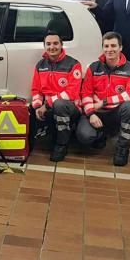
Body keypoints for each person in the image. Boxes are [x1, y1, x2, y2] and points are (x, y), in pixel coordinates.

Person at [77, 32, 130, 166]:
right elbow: (85, 94)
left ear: (121, 47)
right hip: (97, 112)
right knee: (84, 137)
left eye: (113, 46)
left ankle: (122, 149)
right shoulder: (93, 68)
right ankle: (101, 134)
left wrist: (104, 102)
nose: (109, 49)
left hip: (116, 113)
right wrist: (91, 114)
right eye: (106, 46)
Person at [31, 31, 83, 162]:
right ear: (44, 46)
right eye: (48, 44)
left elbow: (71, 93)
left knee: (59, 105)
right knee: (29, 109)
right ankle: (50, 134)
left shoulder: (73, 64)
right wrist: (37, 106)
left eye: (55, 43)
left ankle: (61, 145)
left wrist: (46, 104)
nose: (52, 47)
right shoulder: (40, 65)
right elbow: (36, 89)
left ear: (61, 45)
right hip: (48, 106)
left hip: (70, 106)